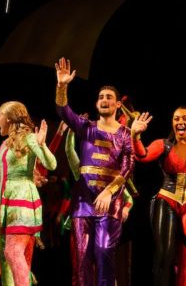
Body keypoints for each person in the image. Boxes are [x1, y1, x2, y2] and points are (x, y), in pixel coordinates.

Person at [54, 57, 147, 286]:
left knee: (104, 252)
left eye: (109, 98)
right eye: (101, 97)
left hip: (110, 202)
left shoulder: (124, 134)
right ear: (97, 104)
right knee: (82, 258)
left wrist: (109, 192)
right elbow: (63, 111)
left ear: (117, 105)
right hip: (83, 201)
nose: (104, 100)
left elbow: (128, 167)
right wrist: (62, 86)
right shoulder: (86, 127)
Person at [0, 101, 57, 286]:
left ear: (10, 117)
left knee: (12, 252)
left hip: (22, 199)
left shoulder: (28, 138)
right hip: (4, 202)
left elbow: (51, 164)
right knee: (4, 259)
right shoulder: (5, 144)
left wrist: (42, 144)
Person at [134, 106, 186, 286]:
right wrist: (135, 136)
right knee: (164, 255)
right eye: (176, 118)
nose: (180, 122)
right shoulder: (164, 144)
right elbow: (143, 156)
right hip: (167, 200)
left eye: (185, 118)